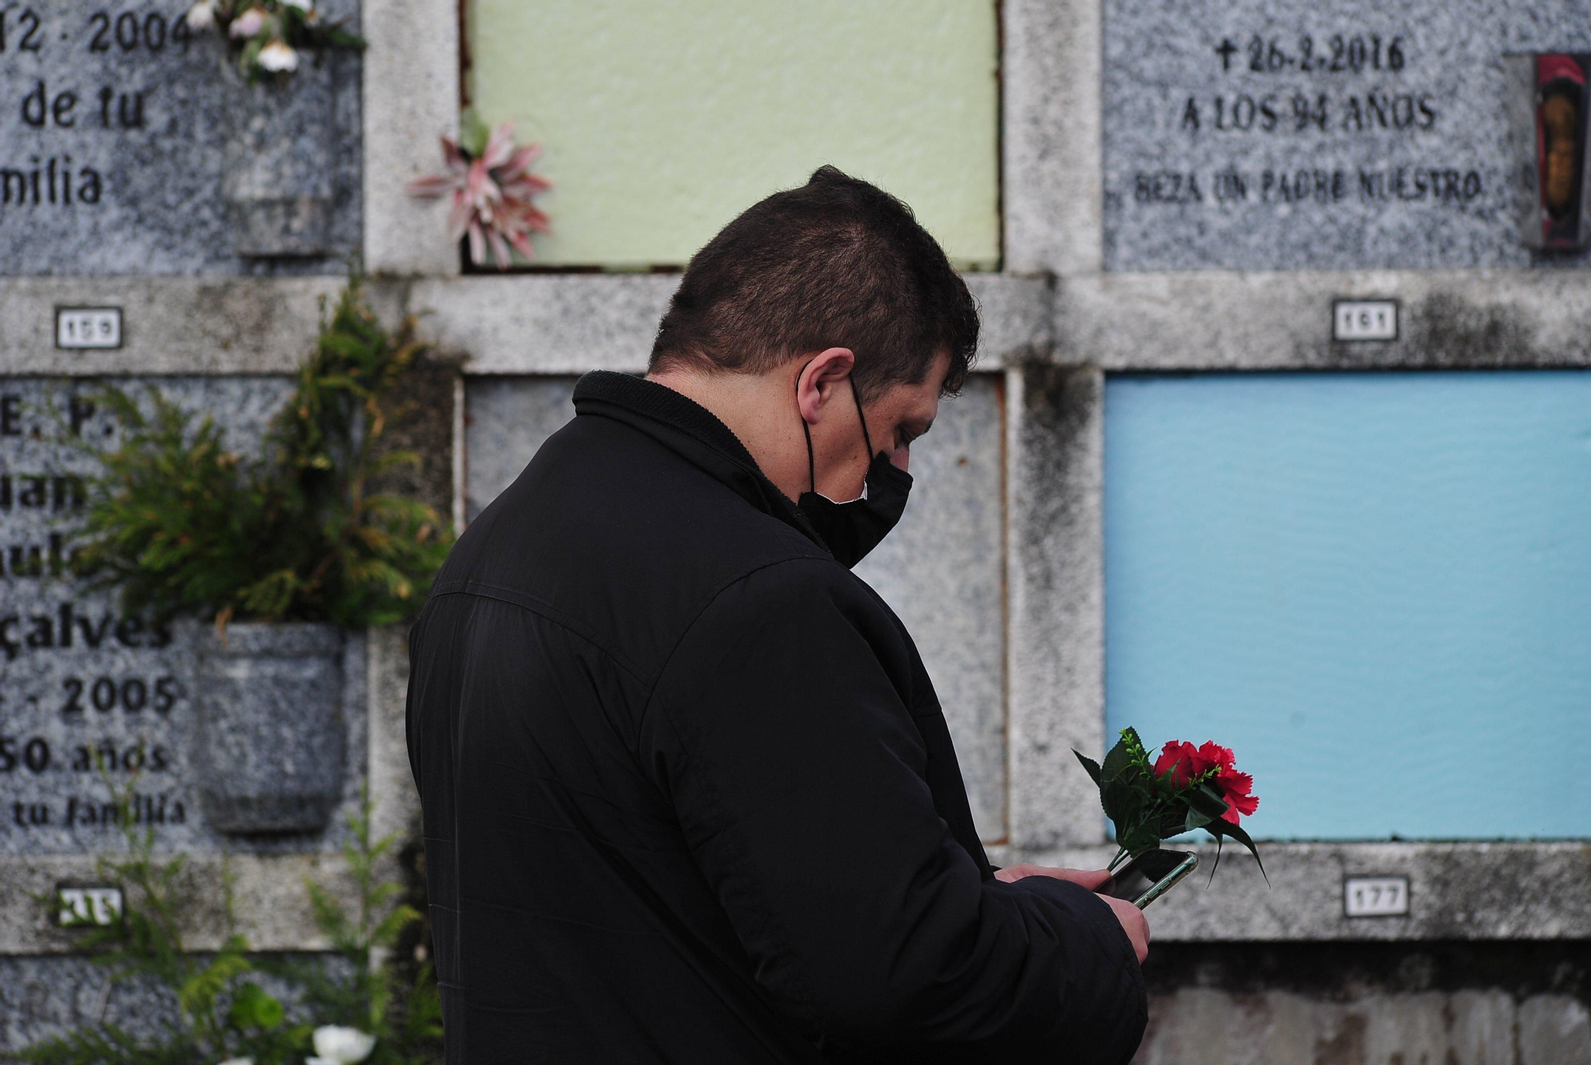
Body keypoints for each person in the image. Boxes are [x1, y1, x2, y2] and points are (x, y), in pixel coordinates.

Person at [405, 165, 1150, 1063]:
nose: (892, 474)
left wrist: (988, 903)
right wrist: (1091, 940)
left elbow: (672, 898)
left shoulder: (495, 548)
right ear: (822, 383)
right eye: (900, 429)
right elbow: (902, 976)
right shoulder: (756, 599)